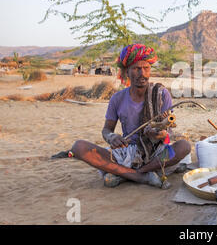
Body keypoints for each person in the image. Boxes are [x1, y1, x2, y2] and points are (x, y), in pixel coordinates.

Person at [71, 44, 191, 189]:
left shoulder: (160, 94)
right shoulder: (117, 98)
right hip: (127, 152)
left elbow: (167, 135)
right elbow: (106, 130)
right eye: (136, 68)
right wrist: (112, 137)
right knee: (79, 147)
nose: (142, 73)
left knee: (183, 146)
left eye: (146, 68)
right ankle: (142, 177)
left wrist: (159, 135)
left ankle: (129, 173)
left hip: (156, 152)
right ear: (127, 72)